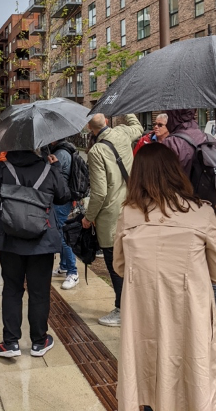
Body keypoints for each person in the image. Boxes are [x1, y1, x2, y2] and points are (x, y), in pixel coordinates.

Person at [114, 144, 216, 412]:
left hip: (143, 316)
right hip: (190, 315)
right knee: (193, 377)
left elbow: (120, 266)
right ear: (175, 171)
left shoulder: (129, 214)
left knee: (146, 373)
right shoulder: (202, 213)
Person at [0, 149, 71, 359]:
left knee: (12, 290)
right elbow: (63, 197)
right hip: (42, 241)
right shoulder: (48, 168)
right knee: (39, 292)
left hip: (11, 240)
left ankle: (10, 342)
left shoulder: (1, 168)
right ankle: (39, 341)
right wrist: (56, 169)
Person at [163, 108, 216, 363]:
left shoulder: (172, 143)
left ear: (173, 116)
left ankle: (187, 339)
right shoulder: (205, 137)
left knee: (182, 279)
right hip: (210, 214)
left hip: (182, 217)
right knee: (212, 281)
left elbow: (164, 183)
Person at [84, 113, 143, 327]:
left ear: (90, 128)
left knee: (115, 264)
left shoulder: (97, 151)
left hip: (111, 217)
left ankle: (121, 309)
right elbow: (138, 126)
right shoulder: (123, 133)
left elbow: (99, 193)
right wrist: (126, 109)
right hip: (134, 209)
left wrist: (89, 218)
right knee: (131, 263)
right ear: (107, 122)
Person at [49, 139, 79, 290]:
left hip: (61, 200)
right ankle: (64, 266)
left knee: (62, 235)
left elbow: (56, 179)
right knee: (60, 231)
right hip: (64, 198)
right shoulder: (66, 149)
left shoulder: (60, 153)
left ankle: (73, 272)